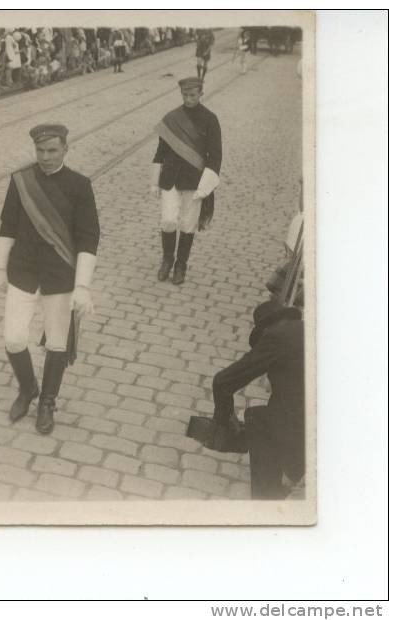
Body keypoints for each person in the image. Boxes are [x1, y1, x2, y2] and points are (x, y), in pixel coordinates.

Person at [0, 124, 100, 435]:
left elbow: (88, 237)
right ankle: (28, 389)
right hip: (24, 269)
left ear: (66, 149)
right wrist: (0, 269)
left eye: (52, 150)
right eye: (40, 151)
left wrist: (82, 286)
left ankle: (47, 403)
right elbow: (6, 226)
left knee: (57, 341)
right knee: (13, 338)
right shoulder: (21, 181)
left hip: (60, 274)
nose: (45, 157)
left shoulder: (80, 185)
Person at [211, 300, 304, 499]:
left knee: (256, 418)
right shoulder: (309, 329)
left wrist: (223, 420)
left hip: (307, 443)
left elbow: (223, 381)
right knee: (278, 410)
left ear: (266, 329)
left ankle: (267, 498)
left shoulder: (276, 337)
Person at [150, 77, 222, 285]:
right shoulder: (172, 118)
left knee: (188, 223)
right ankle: (167, 259)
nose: (189, 99)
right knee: (168, 219)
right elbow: (160, 151)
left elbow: (216, 156)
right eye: (185, 95)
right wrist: (154, 181)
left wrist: (206, 186)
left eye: (193, 95)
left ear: (201, 94)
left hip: (195, 179)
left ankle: (181, 265)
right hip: (170, 177)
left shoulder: (210, 119)